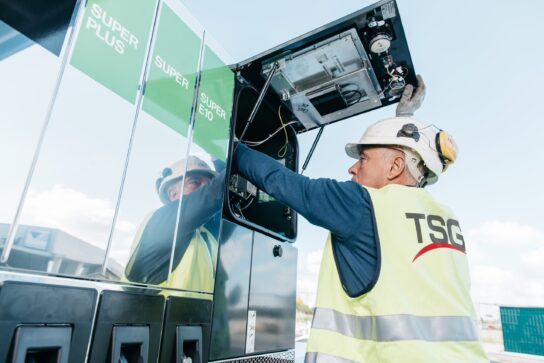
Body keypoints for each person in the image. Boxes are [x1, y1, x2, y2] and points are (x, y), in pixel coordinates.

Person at [233, 76, 488, 362]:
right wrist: (404, 121)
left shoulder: (362, 204)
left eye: (364, 158)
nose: (352, 168)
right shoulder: (446, 219)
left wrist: (227, 143)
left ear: (394, 166)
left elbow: (280, 181)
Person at [124, 155, 225, 296]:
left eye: (208, 183)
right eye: (195, 182)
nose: (205, 187)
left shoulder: (206, 236)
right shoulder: (163, 221)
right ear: (173, 194)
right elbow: (215, 192)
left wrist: (219, 161)